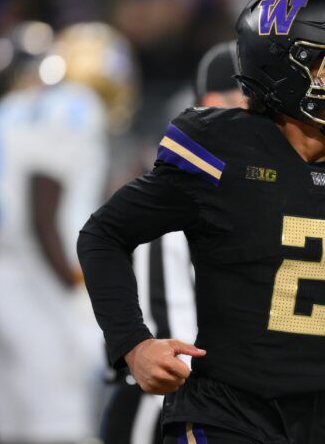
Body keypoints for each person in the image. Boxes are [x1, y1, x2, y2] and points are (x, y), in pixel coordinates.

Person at [77, 0, 325, 443]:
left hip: (320, 417)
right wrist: (132, 344)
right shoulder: (222, 150)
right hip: (221, 409)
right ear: (284, 70)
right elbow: (103, 235)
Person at [0, 21, 137, 444]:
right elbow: (43, 199)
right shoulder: (74, 107)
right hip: (39, 281)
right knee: (61, 426)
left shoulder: (5, 111)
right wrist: (71, 279)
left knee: (13, 428)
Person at [100, 40, 244, 444]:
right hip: (165, 405)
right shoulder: (186, 190)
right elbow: (165, 347)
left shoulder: (253, 188)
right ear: (217, 103)